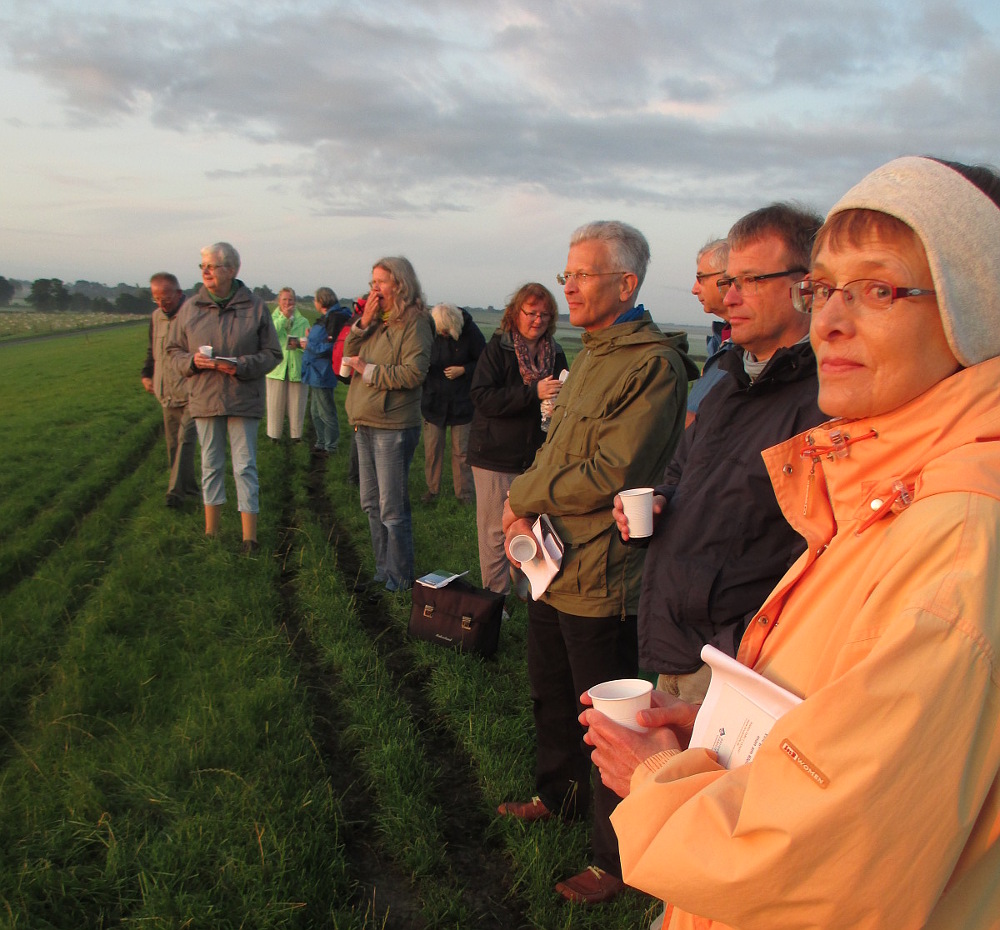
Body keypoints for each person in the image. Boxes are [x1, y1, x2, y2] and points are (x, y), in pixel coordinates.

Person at [581, 156, 1000, 930]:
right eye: (825, 289)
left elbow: (823, 861)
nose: (831, 320)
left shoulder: (955, 547)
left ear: (975, 312)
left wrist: (659, 779)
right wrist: (714, 737)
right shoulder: (886, 487)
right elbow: (838, 739)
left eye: (879, 289)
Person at [497, 221, 698, 905]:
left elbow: (614, 469)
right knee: (551, 692)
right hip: (553, 563)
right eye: (566, 274)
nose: (568, 287)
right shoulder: (593, 351)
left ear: (625, 284)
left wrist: (519, 495)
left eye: (581, 275)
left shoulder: (652, 364)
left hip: (602, 575)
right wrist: (524, 510)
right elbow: (561, 453)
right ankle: (556, 795)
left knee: (611, 722)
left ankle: (616, 861)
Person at [615, 204, 826, 705]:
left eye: (749, 281)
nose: (728, 297)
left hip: (741, 666)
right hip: (680, 643)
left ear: (807, 286)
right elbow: (681, 474)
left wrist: (732, 649)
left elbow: (817, 556)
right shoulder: (731, 380)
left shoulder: (825, 402)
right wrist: (658, 503)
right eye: (729, 280)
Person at [166, 242, 281, 553]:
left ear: (232, 270)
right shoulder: (190, 308)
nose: (205, 271)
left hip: (243, 398)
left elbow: (273, 353)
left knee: (244, 466)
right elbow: (173, 352)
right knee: (211, 464)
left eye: (212, 266)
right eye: (202, 265)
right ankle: (211, 532)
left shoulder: (255, 307)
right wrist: (192, 362)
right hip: (205, 398)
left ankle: (250, 538)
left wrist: (241, 366)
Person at [467, 283, 567, 597]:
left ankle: (527, 587)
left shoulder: (556, 353)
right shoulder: (498, 349)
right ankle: (495, 599)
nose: (537, 319)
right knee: (495, 530)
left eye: (544, 314)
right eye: (530, 312)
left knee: (529, 526)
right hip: (494, 454)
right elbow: (482, 397)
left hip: (536, 456)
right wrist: (532, 393)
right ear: (516, 313)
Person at [343, 257, 433, 594]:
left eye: (380, 282)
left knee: (392, 508)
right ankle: (383, 571)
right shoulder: (377, 321)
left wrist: (369, 371)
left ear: (400, 284)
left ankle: (401, 576)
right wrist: (362, 324)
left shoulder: (416, 322)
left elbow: (414, 373)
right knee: (370, 502)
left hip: (393, 426)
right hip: (363, 420)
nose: (374, 289)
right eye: (372, 283)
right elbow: (347, 353)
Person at [141, 272, 199, 508]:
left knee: (186, 441)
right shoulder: (156, 317)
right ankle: (190, 488)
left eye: (165, 299)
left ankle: (174, 494)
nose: (161, 304)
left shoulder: (193, 315)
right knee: (173, 445)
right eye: (156, 299)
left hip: (190, 391)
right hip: (164, 391)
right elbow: (151, 349)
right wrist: (147, 374)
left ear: (177, 293)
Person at [420, 303, 486, 504]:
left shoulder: (471, 332)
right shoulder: (429, 330)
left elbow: (484, 361)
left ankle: (464, 494)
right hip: (433, 401)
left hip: (462, 402)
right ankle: (432, 490)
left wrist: (464, 369)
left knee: (462, 452)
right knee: (432, 449)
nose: (442, 333)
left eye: (446, 330)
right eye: (439, 330)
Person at [685, 238, 731, 426]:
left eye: (701, 278)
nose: (694, 289)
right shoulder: (720, 341)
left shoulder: (752, 351)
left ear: (728, 278)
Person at [301, 287, 351, 457]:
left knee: (326, 411)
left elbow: (330, 347)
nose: (314, 303)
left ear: (321, 301)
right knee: (316, 411)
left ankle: (331, 446)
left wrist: (309, 345)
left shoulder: (334, 319)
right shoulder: (327, 318)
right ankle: (321, 442)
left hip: (322, 372)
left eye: (315, 300)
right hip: (315, 372)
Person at [265, 288, 310, 442]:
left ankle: (296, 436)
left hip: (296, 366)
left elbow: (307, 342)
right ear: (279, 301)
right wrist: (284, 317)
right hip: (277, 368)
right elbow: (270, 334)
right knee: (275, 404)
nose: (287, 303)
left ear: (295, 301)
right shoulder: (272, 318)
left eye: (290, 299)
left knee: (297, 403)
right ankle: (274, 435)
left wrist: (303, 345)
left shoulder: (303, 321)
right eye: (284, 300)